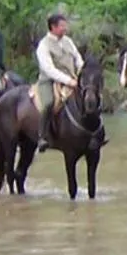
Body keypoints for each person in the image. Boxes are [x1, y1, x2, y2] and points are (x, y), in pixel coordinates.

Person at [35, 13, 89, 153]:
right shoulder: (43, 45)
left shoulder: (68, 41)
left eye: (65, 26)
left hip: (72, 78)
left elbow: (77, 57)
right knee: (49, 103)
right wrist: (68, 81)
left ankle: (94, 133)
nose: (65, 29)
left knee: (90, 97)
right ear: (53, 27)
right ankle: (42, 136)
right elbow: (49, 69)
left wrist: (82, 70)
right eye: (62, 26)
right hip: (50, 81)